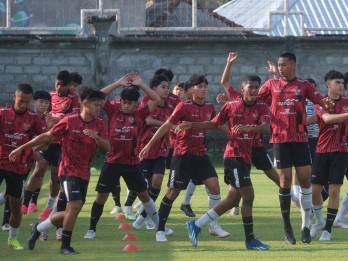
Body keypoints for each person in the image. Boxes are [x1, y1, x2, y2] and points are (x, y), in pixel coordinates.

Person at [10, 87, 110, 255]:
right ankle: (65, 246)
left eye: (100, 105)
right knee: (75, 205)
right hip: (67, 170)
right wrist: (23, 147)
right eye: (96, 105)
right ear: (85, 103)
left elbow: (107, 147)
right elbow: (47, 137)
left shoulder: (99, 124)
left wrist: (97, 137)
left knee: (71, 210)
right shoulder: (70, 121)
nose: (99, 108)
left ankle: (39, 227)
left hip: (84, 172)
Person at [181, 74, 271, 250]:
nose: (254, 90)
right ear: (242, 89)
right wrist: (192, 124)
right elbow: (214, 123)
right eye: (250, 87)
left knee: (232, 199)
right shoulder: (232, 105)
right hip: (233, 156)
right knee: (249, 195)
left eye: (256, 87)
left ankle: (197, 225)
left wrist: (248, 128)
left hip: (245, 157)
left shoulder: (261, 106)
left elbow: (268, 127)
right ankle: (250, 240)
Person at [139, 73, 229, 242]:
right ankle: (160, 230)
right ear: (191, 90)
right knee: (172, 193)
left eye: (205, 86)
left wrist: (234, 135)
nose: (203, 89)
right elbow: (166, 125)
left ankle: (213, 225)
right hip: (182, 155)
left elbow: (216, 123)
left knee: (215, 186)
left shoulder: (209, 106)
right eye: (199, 86)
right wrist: (149, 145)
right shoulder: (184, 106)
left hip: (200, 155)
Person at [257, 52, 334, 245]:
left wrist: (326, 103)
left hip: (300, 139)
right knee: (284, 181)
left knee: (306, 181)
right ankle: (287, 228)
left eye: (283, 64)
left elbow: (319, 100)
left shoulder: (304, 85)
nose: (280, 67)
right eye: (279, 65)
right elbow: (254, 102)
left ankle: (306, 226)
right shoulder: (270, 85)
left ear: (293, 65)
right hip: (280, 140)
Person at [83, 72, 162, 239]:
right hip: (112, 161)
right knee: (101, 196)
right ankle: (91, 229)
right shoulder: (113, 110)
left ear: (136, 104)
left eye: (130, 103)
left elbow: (156, 100)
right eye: (124, 102)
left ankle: (159, 228)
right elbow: (97, 96)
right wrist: (118, 83)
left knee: (144, 195)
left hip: (132, 163)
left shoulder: (140, 113)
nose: (126, 106)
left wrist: (141, 84)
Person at [22, 71, 79, 221]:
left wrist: (57, 119)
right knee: (39, 169)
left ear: (68, 86)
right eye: (57, 83)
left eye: (62, 85)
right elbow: (42, 115)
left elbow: (74, 118)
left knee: (55, 176)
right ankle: (26, 202)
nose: (58, 87)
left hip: (62, 143)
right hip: (48, 140)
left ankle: (49, 205)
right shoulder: (50, 96)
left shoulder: (73, 99)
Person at [0, 84, 46, 250]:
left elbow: (44, 142)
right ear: (14, 97)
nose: (24, 105)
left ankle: (12, 239)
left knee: (15, 205)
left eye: (27, 102)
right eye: (21, 101)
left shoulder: (34, 118)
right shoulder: (3, 113)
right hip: (0, 161)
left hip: (19, 167)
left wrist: (35, 148)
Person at [132, 74, 175, 230]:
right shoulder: (147, 102)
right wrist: (167, 124)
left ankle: (142, 218)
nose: (167, 90)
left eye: (167, 87)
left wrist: (171, 145)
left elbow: (167, 130)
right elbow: (148, 121)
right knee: (144, 188)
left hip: (160, 151)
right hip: (143, 149)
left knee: (156, 183)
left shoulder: (170, 107)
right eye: (163, 87)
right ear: (154, 89)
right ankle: (147, 216)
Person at [309, 70, 348, 241]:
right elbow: (327, 119)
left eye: (342, 83)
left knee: (334, 190)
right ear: (328, 84)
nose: (341, 85)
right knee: (315, 191)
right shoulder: (321, 103)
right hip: (322, 151)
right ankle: (318, 222)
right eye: (337, 82)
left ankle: (328, 230)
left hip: (341, 152)